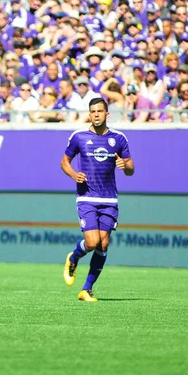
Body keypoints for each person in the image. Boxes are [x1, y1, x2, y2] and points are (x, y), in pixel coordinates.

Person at [60, 98, 135, 302]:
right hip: (87, 197)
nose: (96, 114)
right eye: (92, 111)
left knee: (103, 244)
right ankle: (73, 258)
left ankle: (87, 289)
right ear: (89, 114)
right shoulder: (79, 137)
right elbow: (64, 162)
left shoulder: (118, 139)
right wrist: (74, 175)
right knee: (92, 242)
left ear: (107, 114)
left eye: (99, 111)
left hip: (109, 199)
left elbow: (130, 169)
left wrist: (124, 165)